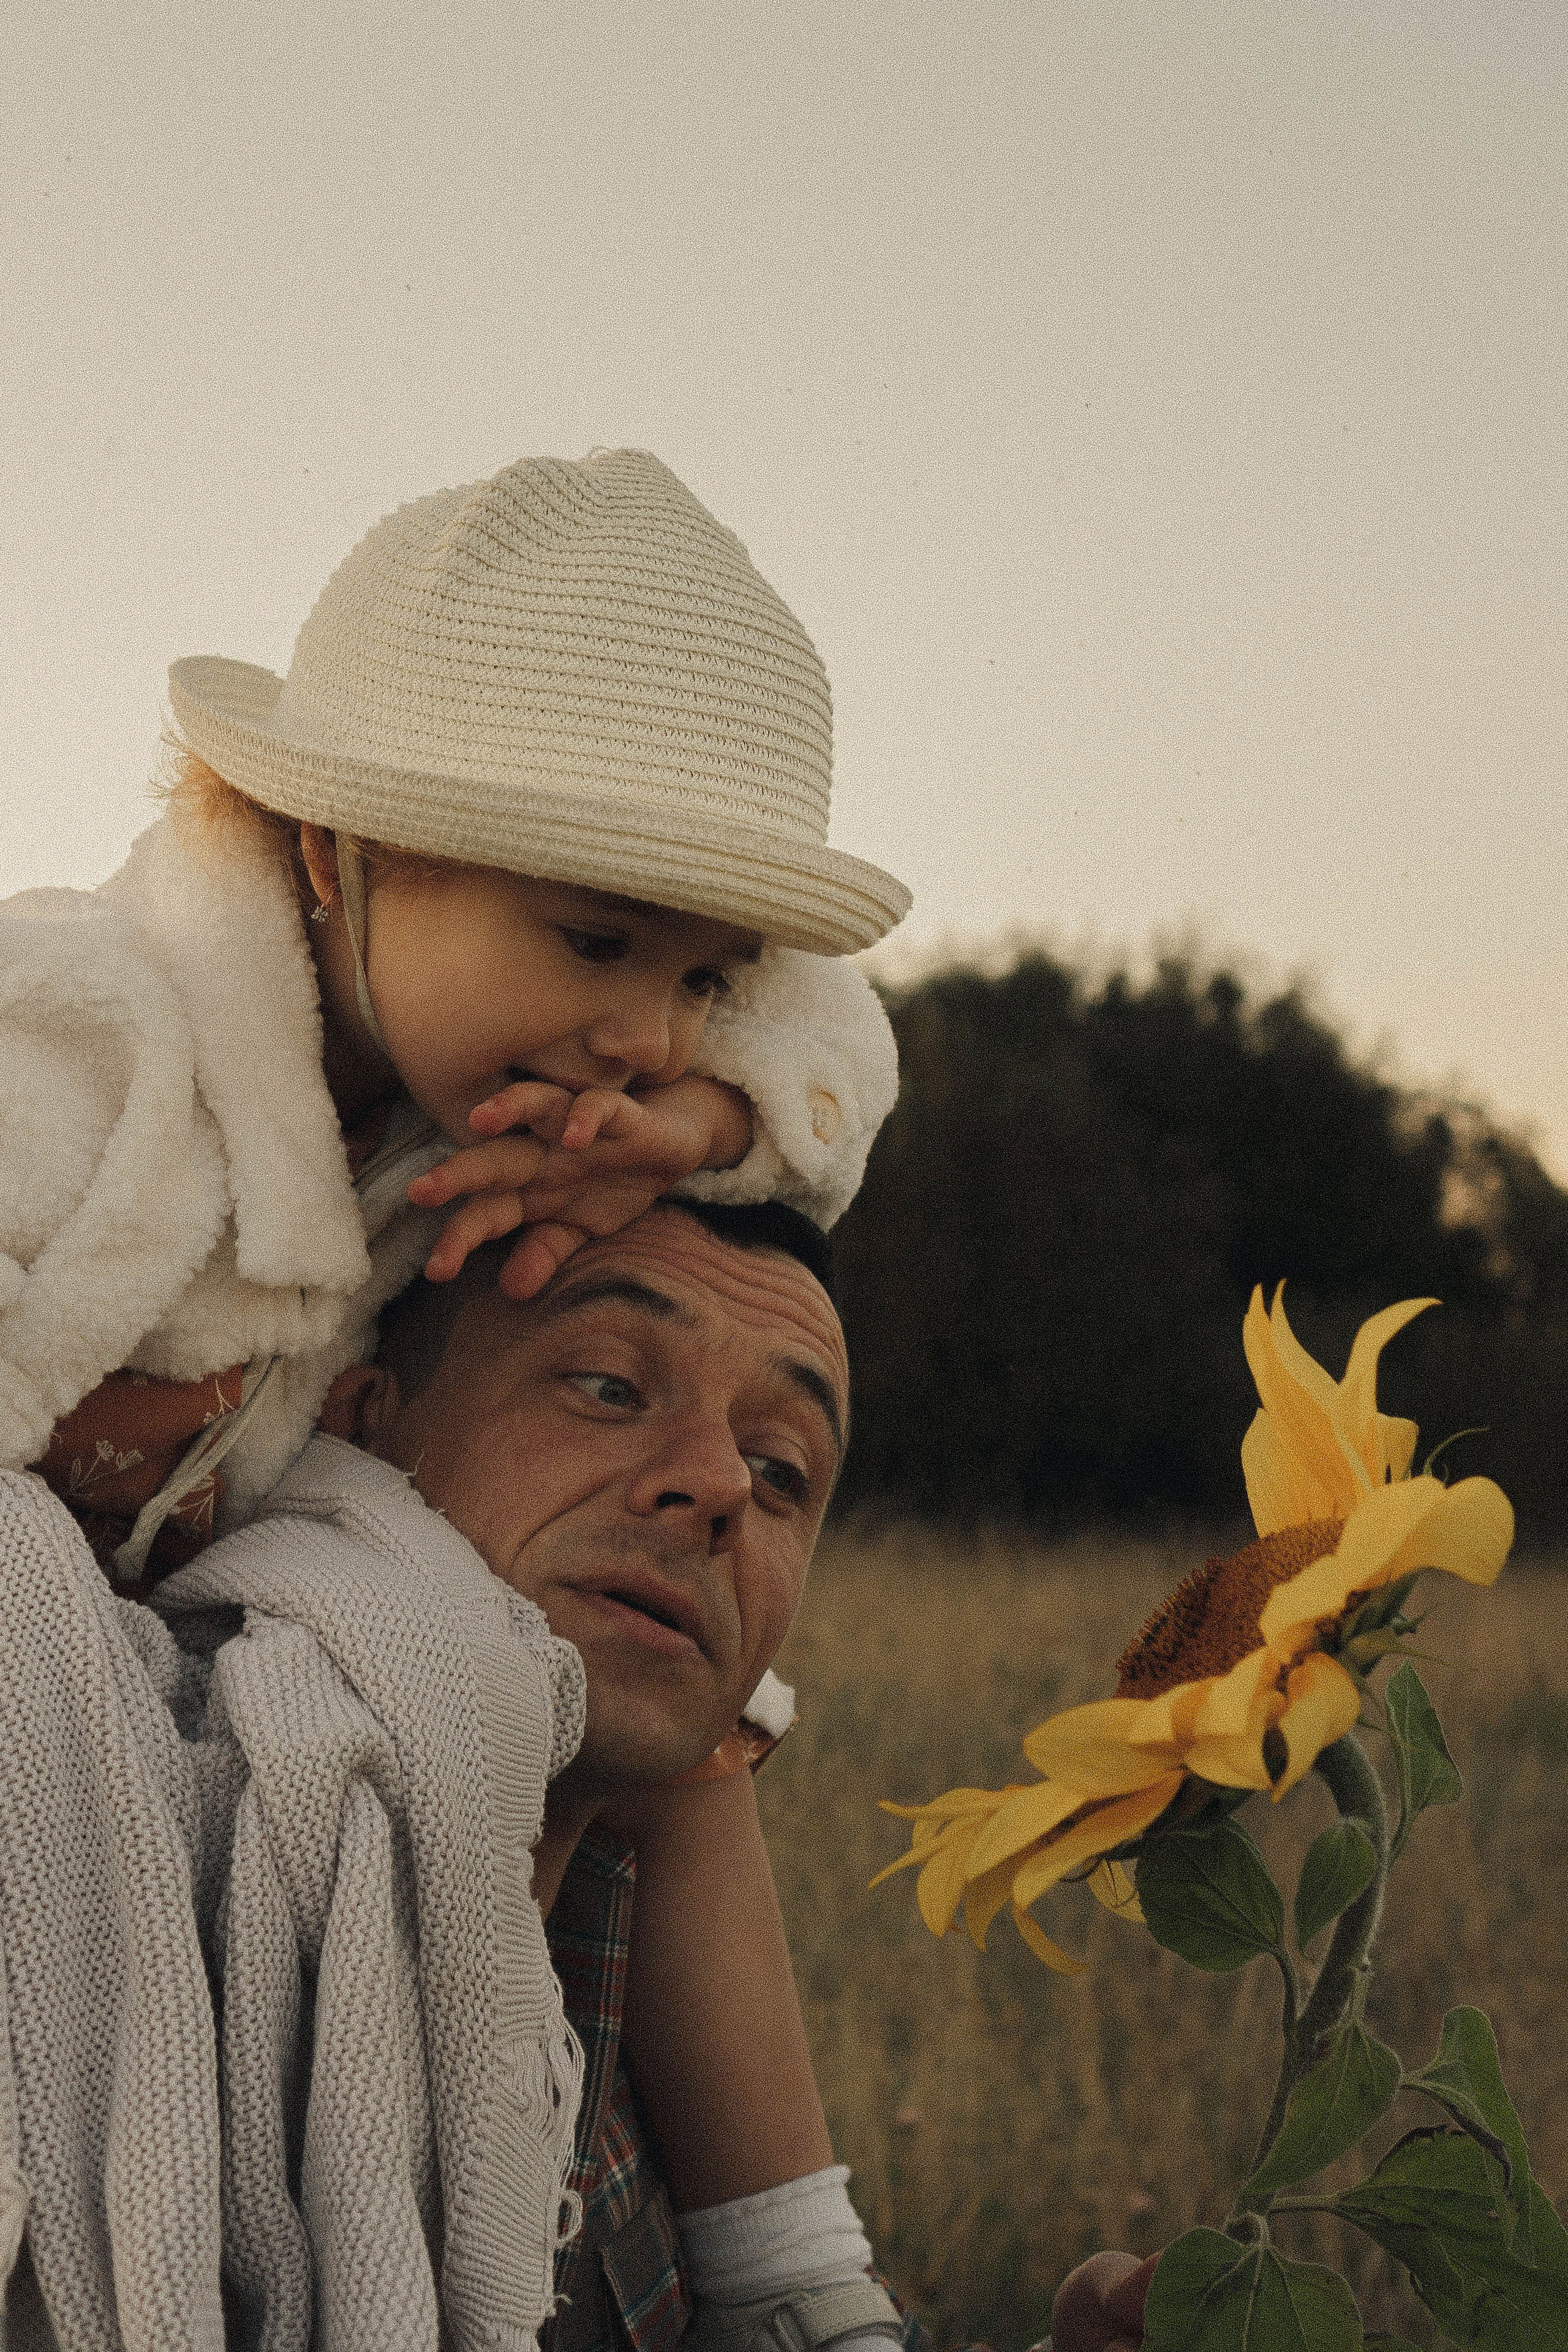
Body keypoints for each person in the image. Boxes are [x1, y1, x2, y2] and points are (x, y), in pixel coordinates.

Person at [0, 449, 905, 2288]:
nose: (646, 1033)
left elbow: (837, 1043)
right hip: (65, 1667)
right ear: (337, 853)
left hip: (260, 1622)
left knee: (670, 1700)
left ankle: (799, 2287)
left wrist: (719, 1102)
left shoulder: (514, 1098)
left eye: (700, 972)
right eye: (598, 944)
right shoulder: (96, 1063)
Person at [0, 1199, 1150, 2350]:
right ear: (362, 1427)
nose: (721, 1487)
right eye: (607, 1386)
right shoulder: (78, 1837)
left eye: (782, 1468)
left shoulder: (631, 2038)